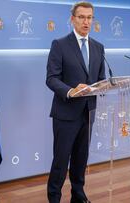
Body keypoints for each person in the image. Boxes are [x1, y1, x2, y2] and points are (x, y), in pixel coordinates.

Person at [46, 1, 106, 203]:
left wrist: (103, 87)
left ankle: (78, 197)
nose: (86, 21)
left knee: (81, 160)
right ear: (72, 19)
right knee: (61, 162)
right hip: (65, 114)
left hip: (88, 113)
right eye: (81, 17)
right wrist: (71, 91)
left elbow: (101, 78)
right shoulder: (60, 44)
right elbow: (51, 78)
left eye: (89, 17)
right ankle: (54, 198)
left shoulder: (98, 47)